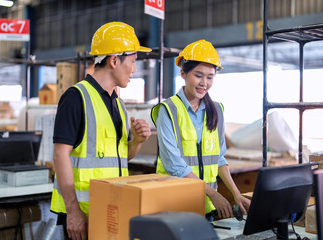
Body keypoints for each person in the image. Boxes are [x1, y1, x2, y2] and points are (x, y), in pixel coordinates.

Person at [50, 21, 152, 240]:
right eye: (133, 61)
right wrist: (73, 211)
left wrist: (138, 141)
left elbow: (120, 157)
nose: (134, 69)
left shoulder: (118, 104)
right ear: (114, 60)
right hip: (83, 216)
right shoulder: (76, 97)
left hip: (111, 210)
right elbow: (60, 155)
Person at [151, 40, 250, 221]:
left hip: (206, 208)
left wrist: (236, 193)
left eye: (210, 77)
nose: (204, 83)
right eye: (198, 75)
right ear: (183, 73)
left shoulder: (217, 110)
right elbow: (173, 164)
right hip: (174, 206)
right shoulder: (168, 110)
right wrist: (212, 193)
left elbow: (219, 158)